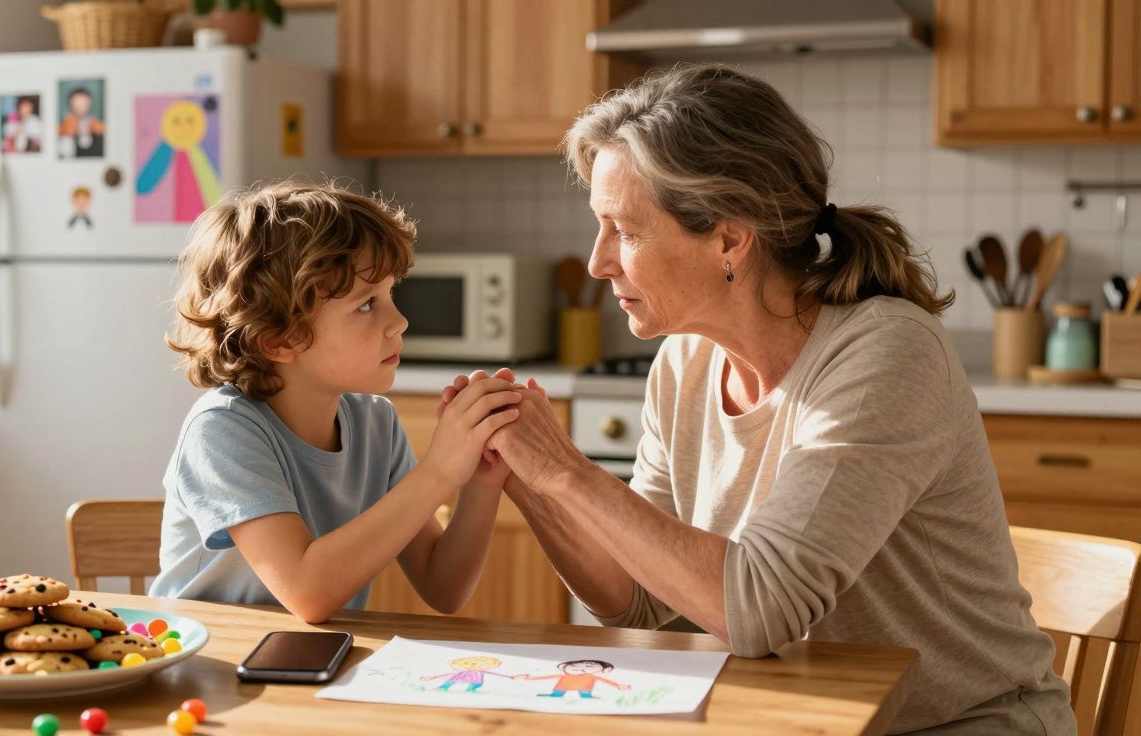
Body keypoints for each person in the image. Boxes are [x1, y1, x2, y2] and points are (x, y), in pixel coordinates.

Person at [440, 64, 1074, 734]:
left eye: (622, 229)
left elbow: (761, 610)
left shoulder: (888, 354)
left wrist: (566, 472)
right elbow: (637, 602)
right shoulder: (685, 360)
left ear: (730, 240)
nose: (598, 262)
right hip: (805, 719)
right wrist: (530, 476)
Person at [150, 181, 523, 624]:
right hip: (209, 667)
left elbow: (443, 587)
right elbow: (308, 592)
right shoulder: (222, 431)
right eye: (367, 305)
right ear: (278, 338)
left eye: (391, 295)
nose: (399, 321)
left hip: (304, 664)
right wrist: (440, 471)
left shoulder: (375, 424)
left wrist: (478, 482)